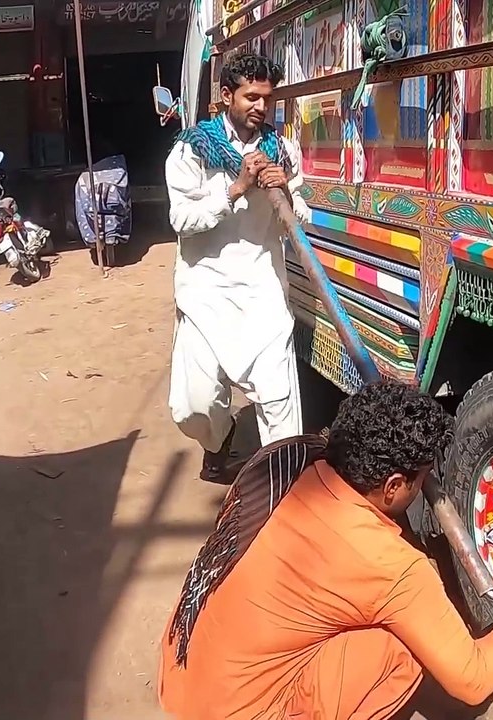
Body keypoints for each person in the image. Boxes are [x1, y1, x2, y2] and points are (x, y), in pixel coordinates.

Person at [158, 380, 493, 719]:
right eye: (420, 479)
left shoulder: (282, 464)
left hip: (183, 671)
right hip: (238, 711)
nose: (424, 487)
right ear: (392, 487)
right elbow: (473, 679)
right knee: (401, 649)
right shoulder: (392, 566)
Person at [164, 52, 313, 481]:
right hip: (205, 293)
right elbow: (182, 220)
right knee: (193, 407)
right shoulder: (192, 149)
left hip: (263, 291)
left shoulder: (282, 151)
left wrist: (284, 189)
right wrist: (238, 188)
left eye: (267, 98)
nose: (261, 107)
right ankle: (220, 439)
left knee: (279, 403)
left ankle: (281, 493)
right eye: (251, 97)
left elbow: (300, 218)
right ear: (227, 95)